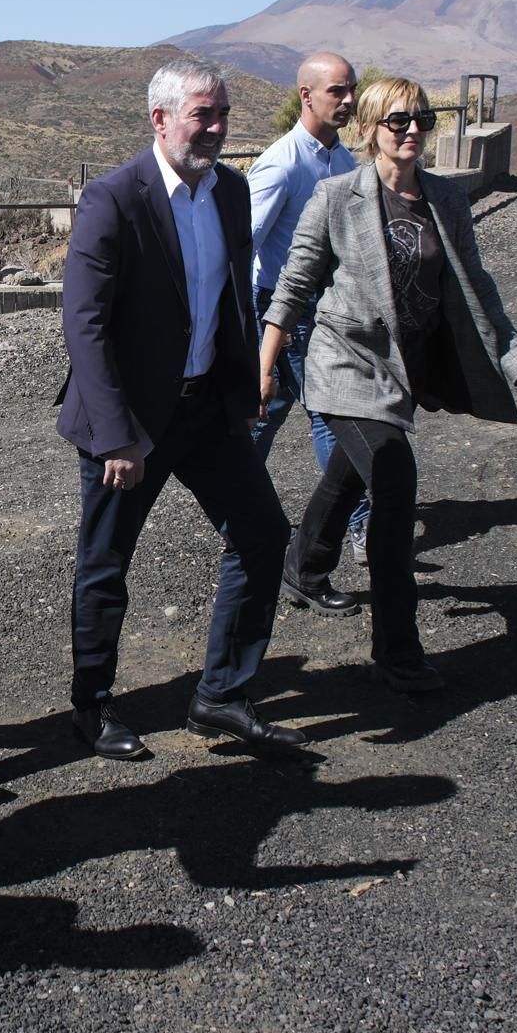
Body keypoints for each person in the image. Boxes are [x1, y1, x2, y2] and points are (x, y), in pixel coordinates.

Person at [259, 77, 517, 694]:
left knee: (351, 467)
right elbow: (292, 288)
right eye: (399, 122)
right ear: (370, 130)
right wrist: (264, 365)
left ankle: (303, 564)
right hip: (344, 365)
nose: (414, 131)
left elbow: (477, 286)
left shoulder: (444, 199)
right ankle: (398, 649)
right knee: (393, 479)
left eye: (421, 119)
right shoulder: (336, 196)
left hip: (403, 369)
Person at [56, 60, 301, 760]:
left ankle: (221, 694)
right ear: (160, 120)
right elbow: (85, 323)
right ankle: (92, 706)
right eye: (203, 115)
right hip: (128, 423)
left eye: (222, 113)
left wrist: (248, 380)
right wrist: (115, 437)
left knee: (260, 534)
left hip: (206, 409)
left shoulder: (228, 191)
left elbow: (233, 297)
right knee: (106, 564)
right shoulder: (114, 198)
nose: (218, 128)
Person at [247, 52, 372, 587]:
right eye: (336, 92)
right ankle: (359, 523)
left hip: (325, 310)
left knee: (273, 414)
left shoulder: (340, 159)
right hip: (287, 309)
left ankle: (239, 507)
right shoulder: (284, 162)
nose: (347, 101)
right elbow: (244, 241)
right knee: (324, 416)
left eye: (351, 91)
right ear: (307, 95)